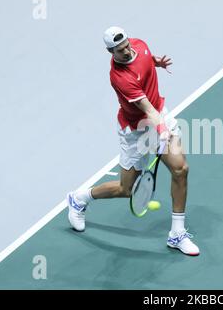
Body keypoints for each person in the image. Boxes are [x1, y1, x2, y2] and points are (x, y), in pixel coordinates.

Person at [66, 26, 199, 256]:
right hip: (136, 130)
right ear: (111, 52)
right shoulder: (120, 78)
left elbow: (145, 61)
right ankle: (79, 199)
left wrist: (156, 62)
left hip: (159, 115)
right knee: (126, 189)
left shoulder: (140, 45)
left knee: (180, 169)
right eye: (120, 50)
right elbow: (146, 109)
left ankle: (177, 234)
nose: (126, 52)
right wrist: (162, 130)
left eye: (127, 45)